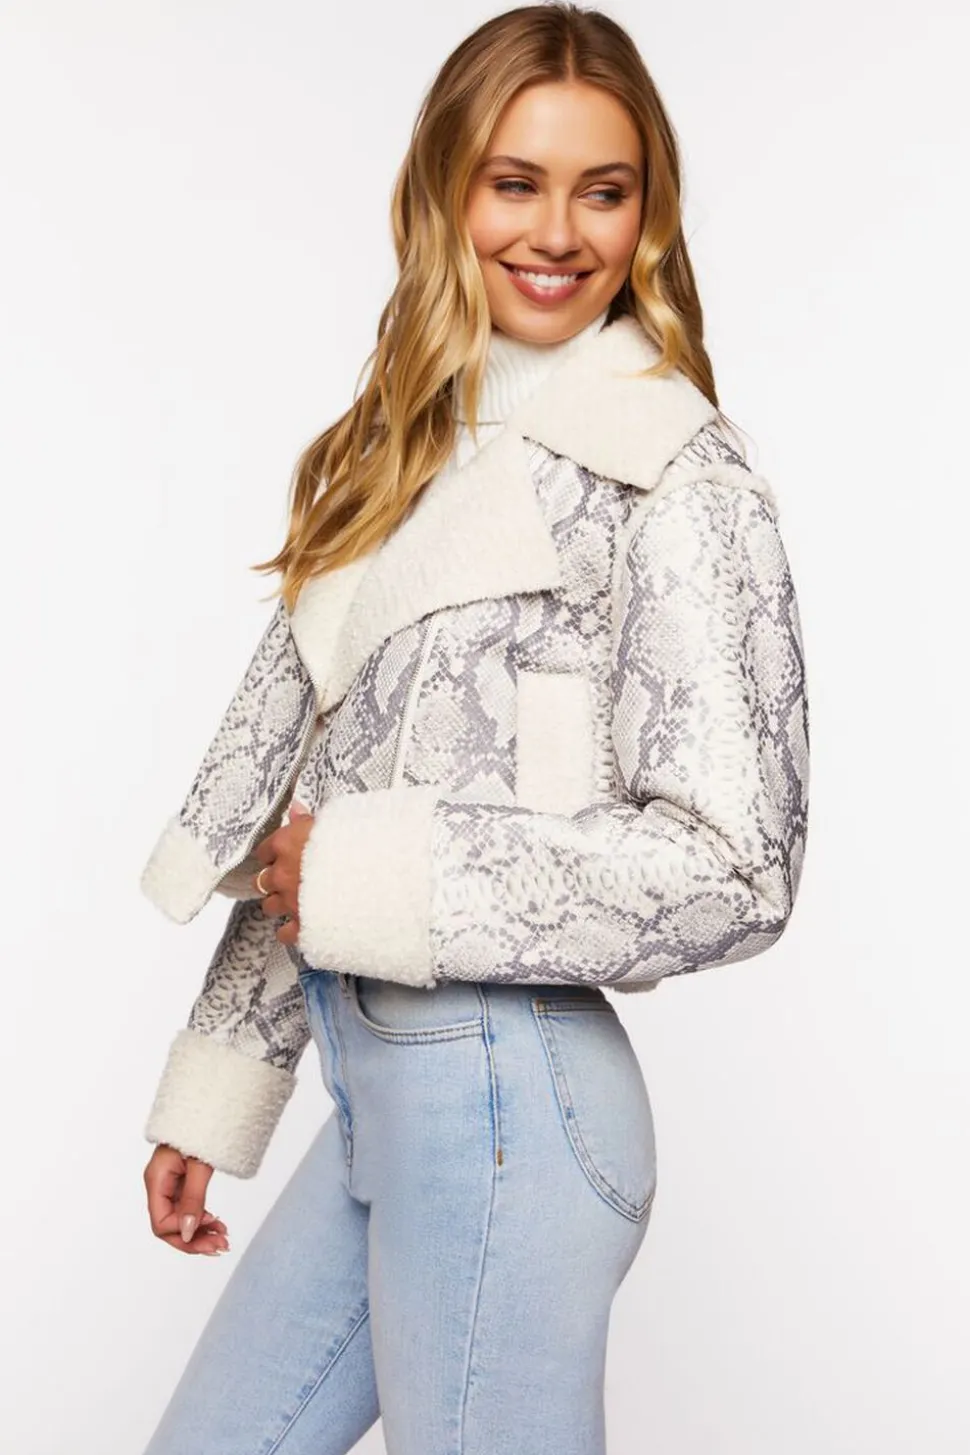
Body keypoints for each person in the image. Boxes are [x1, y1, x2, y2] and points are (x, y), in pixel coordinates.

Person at [138, 5, 811, 1452]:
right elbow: (313, 813)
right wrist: (223, 1083)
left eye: (603, 190)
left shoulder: (673, 478)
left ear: (646, 214)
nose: (557, 232)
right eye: (516, 182)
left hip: (513, 1104)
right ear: (445, 189)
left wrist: (383, 872)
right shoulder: (399, 459)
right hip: (380, 1092)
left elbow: (737, 867)